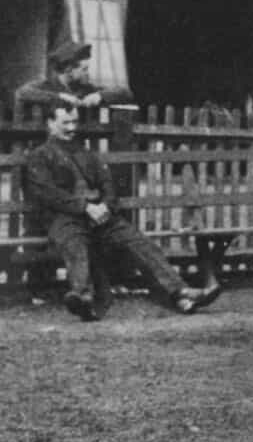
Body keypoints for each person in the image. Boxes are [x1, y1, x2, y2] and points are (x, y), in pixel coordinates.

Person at [23, 103, 221, 321]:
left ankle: (179, 291)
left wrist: (106, 206)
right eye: (65, 123)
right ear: (51, 124)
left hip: (100, 216)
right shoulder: (40, 156)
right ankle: (83, 297)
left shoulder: (86, 153)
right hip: (64, 218)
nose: (72, 128)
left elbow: (107, 183)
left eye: (74, 122)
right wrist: (85, 207)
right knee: (75, 245)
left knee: (137, 241)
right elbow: (48, 193)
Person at [13, 40, 133, 112]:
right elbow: (21, 93)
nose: (87, 73)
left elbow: (125, 93)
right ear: (69, 70)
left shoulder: (86, 89)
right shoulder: (46, 86)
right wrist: (60, 98)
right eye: (84, 69)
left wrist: (99, 96)